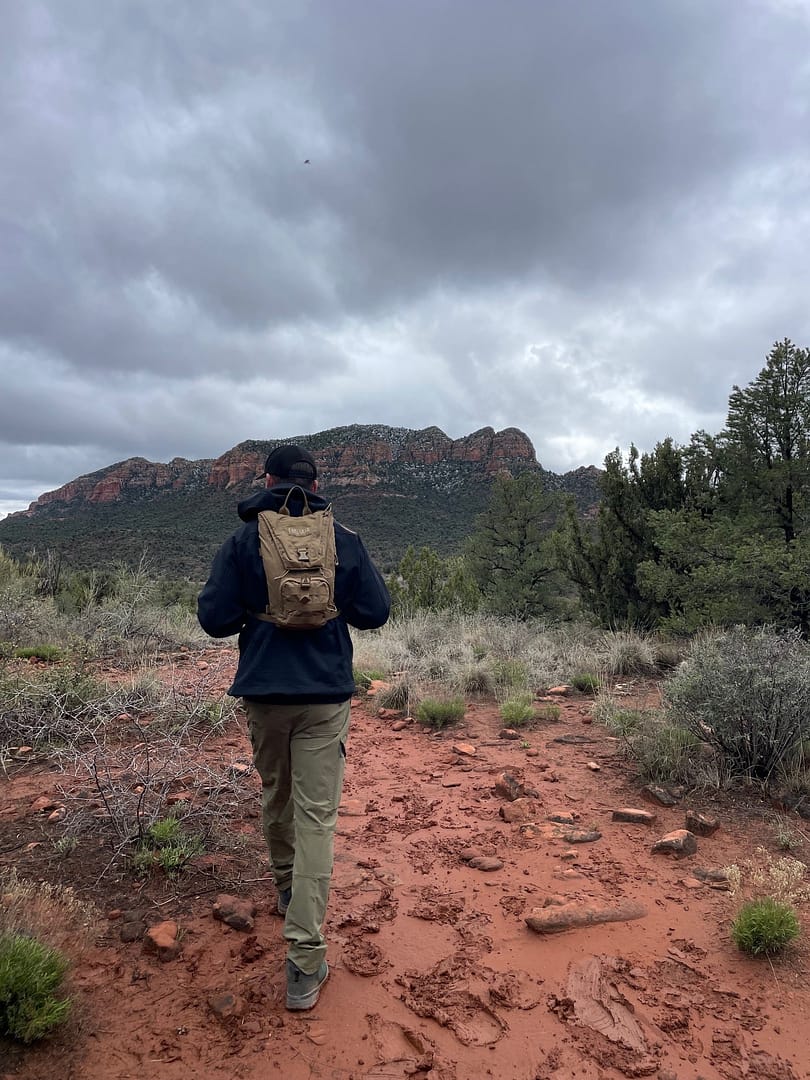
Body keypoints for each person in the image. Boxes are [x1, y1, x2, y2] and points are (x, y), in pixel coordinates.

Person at [197, 444, 390, 1010]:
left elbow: (213, 620)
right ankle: (304, 964)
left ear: (268, 479)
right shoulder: (343, 539)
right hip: (325, 694)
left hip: (263, 691)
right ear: (315, 481)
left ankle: (286, 886)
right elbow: (376, 613)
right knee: (317, 821)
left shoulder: (243, 540)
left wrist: (256, 610)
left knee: (275, 794)